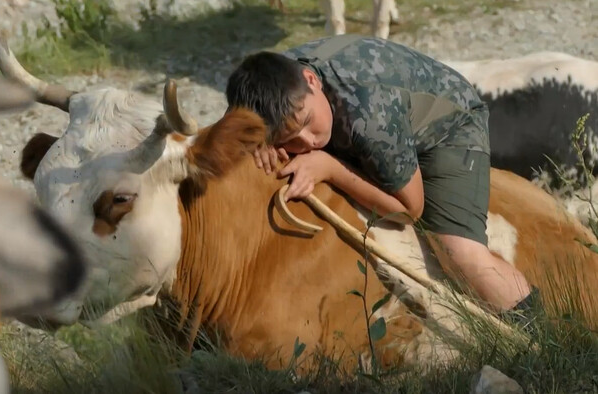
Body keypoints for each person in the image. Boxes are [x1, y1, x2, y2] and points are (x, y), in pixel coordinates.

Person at [224, 34, 541, 326]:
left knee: (458, 253)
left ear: (311, 80)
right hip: (378, 106)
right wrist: (257, 140)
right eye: (290, 139)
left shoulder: (370, 119)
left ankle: (539, 334)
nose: (308, 141)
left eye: (307, 123)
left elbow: (409, 209)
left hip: (449, 124)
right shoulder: (279, 86)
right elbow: (240, 122)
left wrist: (330, 168)